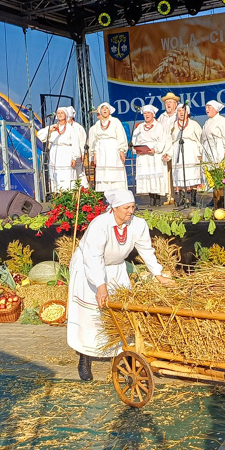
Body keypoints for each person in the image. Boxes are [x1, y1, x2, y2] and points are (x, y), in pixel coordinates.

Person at [67, 189, 174, 380]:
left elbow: (146, 250)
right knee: (91, 314)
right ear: (114, 208)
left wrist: (158, 274)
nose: (130, 211)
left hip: (116, 268)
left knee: (121, 313)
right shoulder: (100, 224)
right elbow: (93, 257)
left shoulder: (138, 225)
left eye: (133, 207)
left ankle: (123, 358)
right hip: (88, 269)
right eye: (126, 208)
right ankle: (85, 357)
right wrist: (100, 285)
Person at [36, 107, 83, 192]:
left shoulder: (70, 129)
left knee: (67, 176)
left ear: (66, 115)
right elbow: (40, 135)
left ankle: (68, 194)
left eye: (62, 113)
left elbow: (75, 143)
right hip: (55, 153)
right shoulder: (52, 127)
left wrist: (74, 157)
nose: (60, 114)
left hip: (66, 153)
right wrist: (50, 130)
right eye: (58, 113)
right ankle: (57, 194)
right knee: (56, 176)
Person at [131, 105, 168, 207]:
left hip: (154, 154)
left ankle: (157, 199)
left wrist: (155, 149)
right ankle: (151, 198)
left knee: (155, 174)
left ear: (153, 114)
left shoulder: (158, 126)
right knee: (147, 175)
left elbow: (162, 140)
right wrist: (137, 149)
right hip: (143, 155)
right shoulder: (139, 127)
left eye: (148, 113)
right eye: (145, 113)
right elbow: (134, 140)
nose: (146, 115)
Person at [168, 103, 203, 207]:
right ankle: (182, 198)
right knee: (179, 174)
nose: (181, 113)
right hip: (177, 151)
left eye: (183, 111)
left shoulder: (194, 124)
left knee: (192, 173)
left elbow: (199, 139)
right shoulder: (173, 125)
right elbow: (169, 139)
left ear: (187, 113)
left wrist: (200, 153)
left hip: (191, 151)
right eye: (179, 111)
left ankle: (193, 198)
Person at [88, 102, 129, 192]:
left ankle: (118, 193)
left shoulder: (115, 121)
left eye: (106, 108)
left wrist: (122, 150)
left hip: (112, 148)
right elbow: (95, 140)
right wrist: (94, 153)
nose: (105, 110)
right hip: (101, 150)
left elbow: (121, 136)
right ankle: (105, 195)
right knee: (103, 173)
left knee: (114, 172)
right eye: (103, 109)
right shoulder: (98, 124)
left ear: (109, 110)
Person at [158, 92, 181, 204]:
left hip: (176, 145)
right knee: (167, 172)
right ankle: (170, 196)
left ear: (175, 104)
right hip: (165, 147)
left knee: (178, 170)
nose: (168, 104)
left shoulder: (179, 114)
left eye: (171, 102)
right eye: (167, 102)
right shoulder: (161, 117)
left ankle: (181, 195)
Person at [201, 100, 225, 165]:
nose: (207, 110)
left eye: (209, 107)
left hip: (217, 148)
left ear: (215, 109)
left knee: (217, 167)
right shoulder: (206, 123)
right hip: (207, 149)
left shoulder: (222, 121)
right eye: (206, 108)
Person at [65, 106, 89, 188]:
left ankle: (84, 190)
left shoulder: (78, 127)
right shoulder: (62, 127)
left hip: (76, 153)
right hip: (66, 154)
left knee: (80, 172)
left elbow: (82, 141)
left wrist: (82, 153)